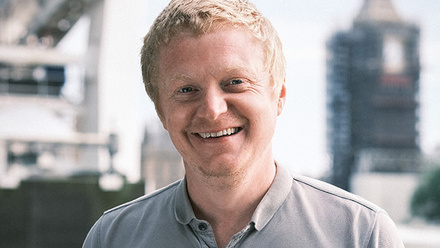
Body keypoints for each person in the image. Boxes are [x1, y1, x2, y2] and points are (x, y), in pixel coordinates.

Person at [83, 0, 404, 247]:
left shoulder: (360, 235)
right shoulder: (113, 238)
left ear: (278, 96)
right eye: (186, 90)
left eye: (234, 82)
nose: (211, 110)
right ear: (161, 112)